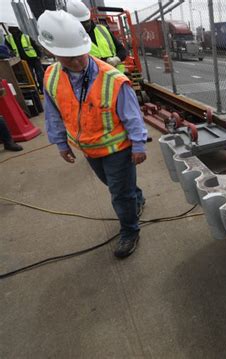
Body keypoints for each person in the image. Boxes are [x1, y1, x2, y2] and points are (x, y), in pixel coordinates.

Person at [38, 10, 147, 258]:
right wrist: (60, 143)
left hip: (117, 149)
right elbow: (53, 113)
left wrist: (139, 145)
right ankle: (136, 196)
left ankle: (130, 231)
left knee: (119, 194)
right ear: (53, 53)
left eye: (79, 55)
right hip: (88, 149)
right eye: (69, 58)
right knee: (116, 185)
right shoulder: (51, 76)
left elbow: (132, 116)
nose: (77, 62)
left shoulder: (113, 79)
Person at [67, 0, 127, 72]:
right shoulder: (71, 39)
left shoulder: (103, 29)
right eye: (82, 23)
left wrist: (116, 59)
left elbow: (122, 50)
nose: (86, 25)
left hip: (115, 75)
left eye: (87, 21)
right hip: (93, 79)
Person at [5, 26, 45, 92]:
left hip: (34, 58)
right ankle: (35, 91)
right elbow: (9, 49)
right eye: (11, 29)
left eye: (13, 28)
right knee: (30, 76)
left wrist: (39, 55)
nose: (12, 30)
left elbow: (35, 46)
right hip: (23, 60)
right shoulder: (8, 39)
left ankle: (43, 89)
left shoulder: (25, 37)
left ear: (17, 29)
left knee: (40, 75)